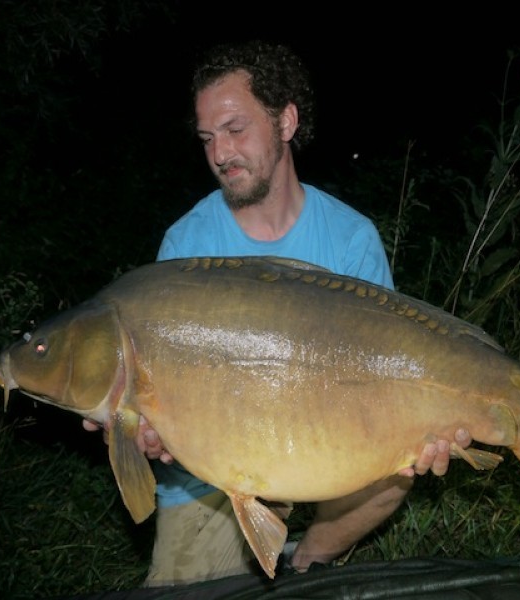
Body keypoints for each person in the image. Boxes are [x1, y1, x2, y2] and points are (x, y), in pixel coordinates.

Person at [85, 39, 472, 586]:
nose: (220, 153)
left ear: (286, 121)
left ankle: (304, 565)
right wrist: (151, 434)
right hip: (213, 478)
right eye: (207, 137)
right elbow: (159, 406)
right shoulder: (186, 244)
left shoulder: (351, 237)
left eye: (236, 129)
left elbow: (392, 367)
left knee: (394, 475)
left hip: (322, 446)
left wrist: (424, 431)